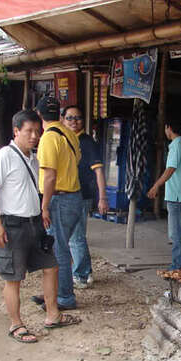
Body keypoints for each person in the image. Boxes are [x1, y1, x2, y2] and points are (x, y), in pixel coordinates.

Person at [0, 109, 80, 342]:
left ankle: (53, 315)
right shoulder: (4, 156)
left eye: (37, 131)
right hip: (12, 225)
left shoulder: (33, 158)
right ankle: (16, 324)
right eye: (28, 131)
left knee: (51, 267)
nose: (34, 136)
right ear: (16, 131)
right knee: (14, 278)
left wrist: (42, 210)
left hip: (34, 223)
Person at [36, 95, 82, 311]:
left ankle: (64, 297)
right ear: (59, 115)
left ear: (39, 115)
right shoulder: (69, 134)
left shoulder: (48, 138)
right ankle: (52, 292)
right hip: (73, 197)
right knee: (59, 247)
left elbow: (50, 177)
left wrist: (44, 206)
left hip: (59, 199)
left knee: (59, 250)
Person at [61, 105, 108, 288]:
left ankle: (81, 276)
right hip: (69, 194)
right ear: (63, 119)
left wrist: (102, 197)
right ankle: (86, 272)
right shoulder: (66, 139)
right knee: (75, 236)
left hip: (81, 195)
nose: (74, 121)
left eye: (78, 118)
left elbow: (98, 171)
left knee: (76, 237)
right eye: (70, 118)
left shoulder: (86, 142)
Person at [147, 116, 181, 270]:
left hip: (176, 195)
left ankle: (179, 264)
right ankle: (180, 262)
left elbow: (170, 169)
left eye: (165, 128)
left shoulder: (176, 146)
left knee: (175, 233)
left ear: (169, 128)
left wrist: (156, 185)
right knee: (177, 231)